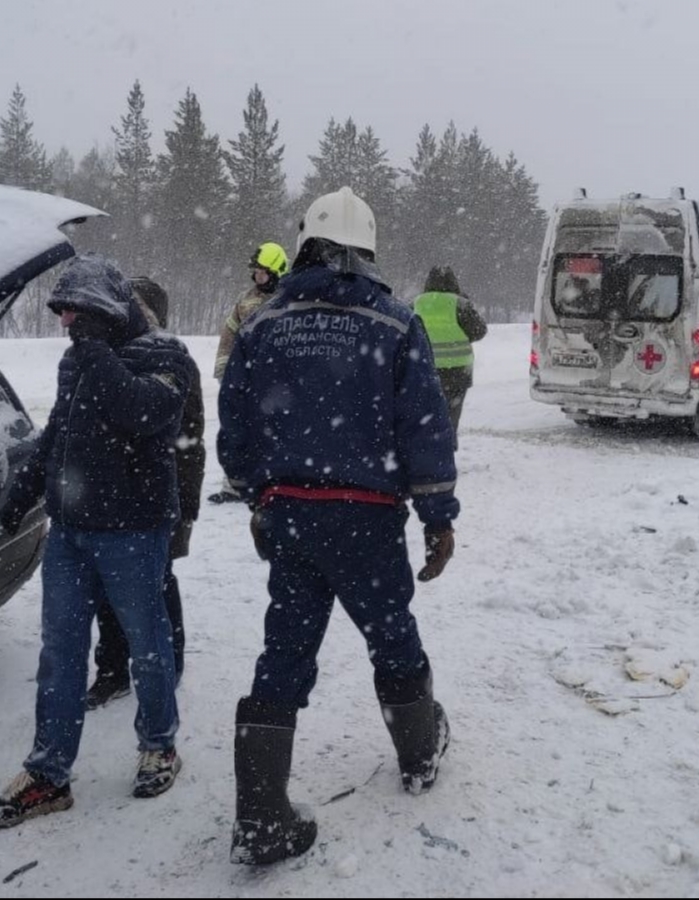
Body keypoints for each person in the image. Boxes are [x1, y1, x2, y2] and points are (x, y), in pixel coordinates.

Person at [218, 187, 460, 866]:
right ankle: (417, 756)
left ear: (307, 246)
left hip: (291, 516)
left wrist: (259, 497)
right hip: (369, 521)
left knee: (285, 650)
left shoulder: (264, 323)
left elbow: (234, 425)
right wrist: (438, 517)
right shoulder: (394, 323)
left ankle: (262, 816)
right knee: (392, 637)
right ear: (368, 249)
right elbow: (425, 430)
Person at [0, 255, 197, 828]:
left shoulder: (166, 356)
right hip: (71, 534)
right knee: (60, 652)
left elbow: (143, 413)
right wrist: (27, 487)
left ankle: (159, 746)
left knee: (147, 645)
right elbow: (61, 428)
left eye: (76, 313)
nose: (67, 325)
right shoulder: (76, 360)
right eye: (64, 315)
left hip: (134, 530)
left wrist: (97, 351)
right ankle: (49, 774)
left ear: (105, 310)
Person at [85, 277, 205, 709]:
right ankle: (113, 671)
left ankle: (169, 664)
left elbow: (190, 446)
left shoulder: (175, 361)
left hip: (156, 501)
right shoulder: (107, 357)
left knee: (158, 583)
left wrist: (185, 512)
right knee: (106, 588)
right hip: (108, 499)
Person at [208, 241, 290, 505]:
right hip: (246, 376)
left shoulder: (290, 299)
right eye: (255, 272)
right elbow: (229, 332)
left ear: (277, 271)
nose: (258, 277)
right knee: (237, 428)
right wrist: (223, 366)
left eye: (263, 272)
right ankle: (232, 485)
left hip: (279, 380)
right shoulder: (246, 300)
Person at [412, 266, 488, 440]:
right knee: (451, 415)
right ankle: (447, 448)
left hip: (423, 369)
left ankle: (426, 448)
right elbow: (480, 330)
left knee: (425, 413)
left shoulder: (416, 303)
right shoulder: (460, 304)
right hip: (457, 371)